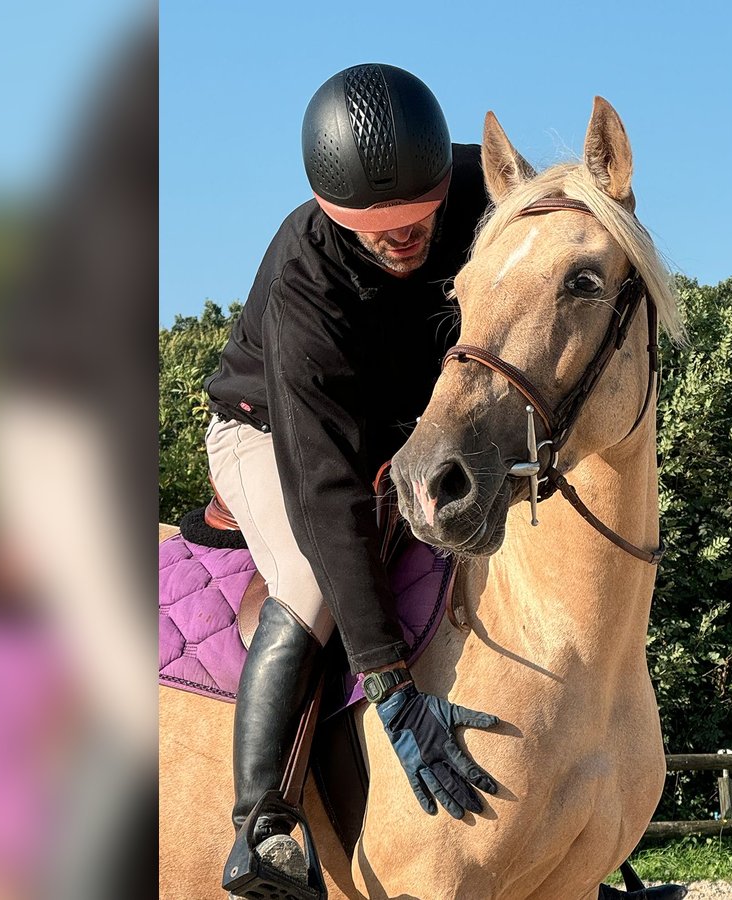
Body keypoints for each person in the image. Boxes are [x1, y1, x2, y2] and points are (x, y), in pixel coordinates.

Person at [202, 64, 499, 893]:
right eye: (379, 228)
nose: (406, 241)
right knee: (312, 577)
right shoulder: (306, 279)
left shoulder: (486, 188)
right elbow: (327, 489)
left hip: (407, 430)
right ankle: (263, 829)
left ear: (447, 179)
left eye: (420, 218)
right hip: (273, 429)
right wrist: (391, 681)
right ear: (334, 212)